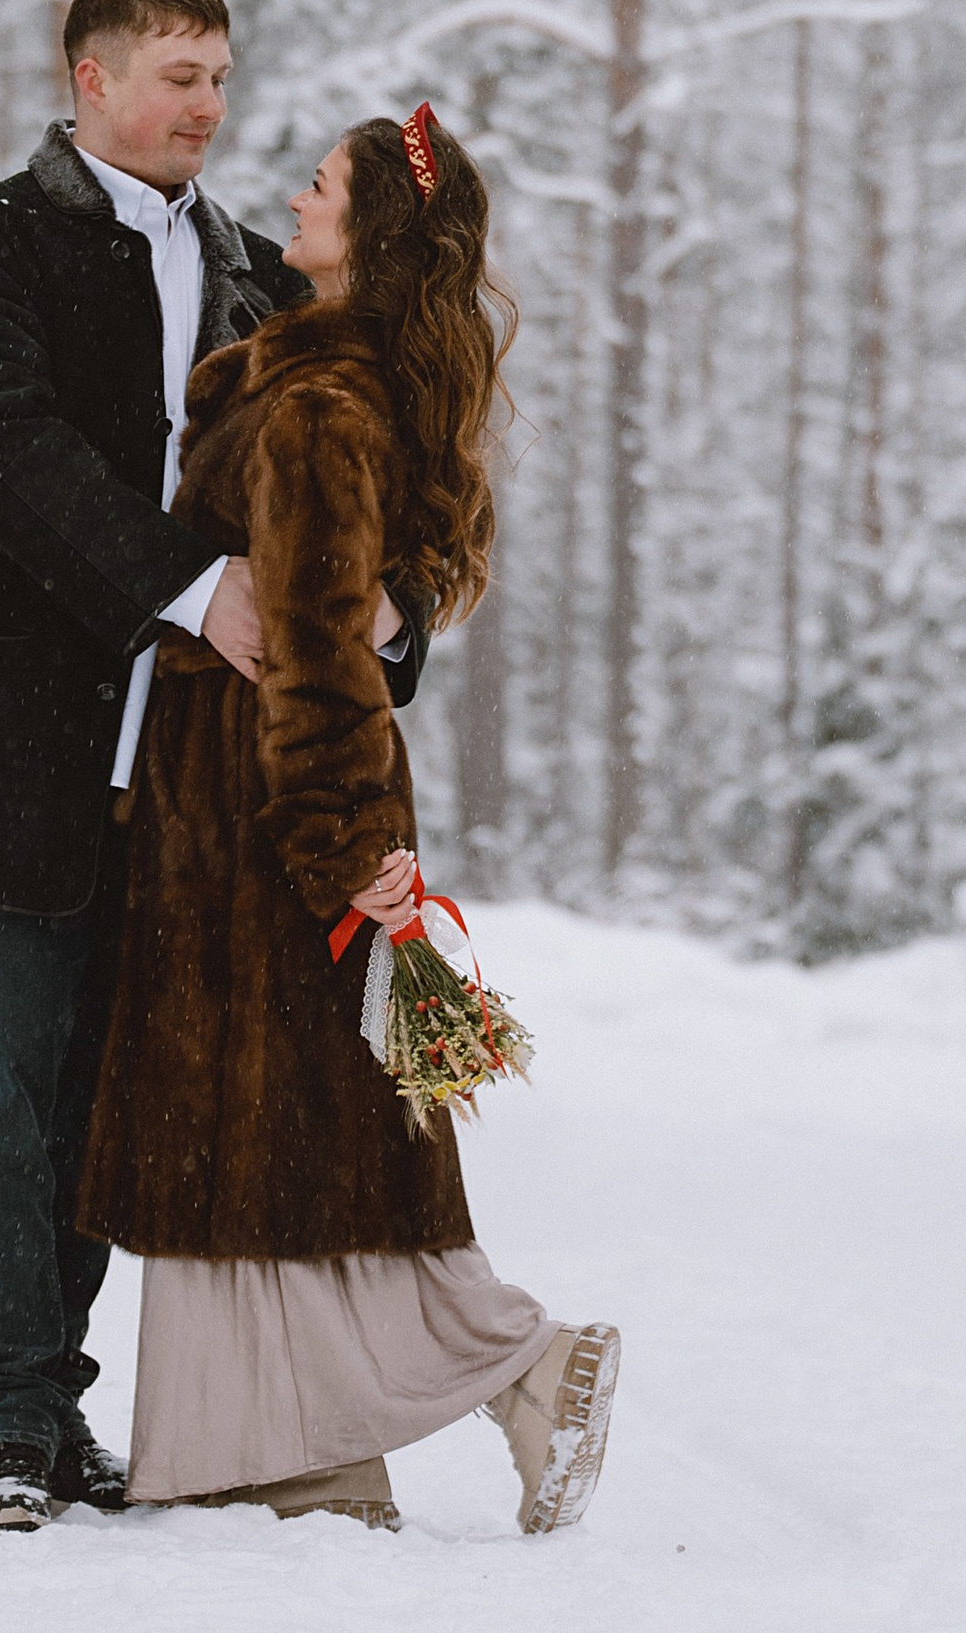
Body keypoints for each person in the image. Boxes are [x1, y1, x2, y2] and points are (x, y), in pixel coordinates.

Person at [0, 0, 426, 1541]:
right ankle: (10, 1422)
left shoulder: (253, 271)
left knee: (111, 1103)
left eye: (224, 75)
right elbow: (4, 448)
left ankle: (64, 1399)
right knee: (1, 1096)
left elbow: (350, 464)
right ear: (90, 74)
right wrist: (193, 585)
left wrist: (388, 614)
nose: (209, 105)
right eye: (178, 72)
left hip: (187, 789)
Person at [77, 105, 618, 1536]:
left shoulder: (318, 404)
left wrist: (333, 843)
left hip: (263, 814)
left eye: (319, 186)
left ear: (367, 234)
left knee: (289, 1134)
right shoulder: (327, 372)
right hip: (237, 800)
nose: (292, 197)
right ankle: (309, 1447)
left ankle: (516, 1361)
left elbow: (319, 643)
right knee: (280, 1143)